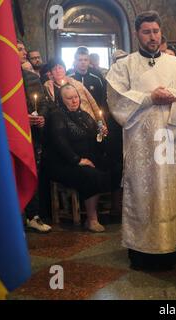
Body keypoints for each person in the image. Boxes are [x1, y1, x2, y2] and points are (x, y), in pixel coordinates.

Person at [106, 11, 176, 271]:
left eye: (156, 31)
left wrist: (171, 94)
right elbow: (116, 99)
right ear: (137, 34)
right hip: (141, 145)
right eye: (146, 32)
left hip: (174, 139)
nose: (152, 37)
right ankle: (145, 251)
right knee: (146, 193)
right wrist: (148, 98)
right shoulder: (124, 66)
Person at [45, 85, 119, 232]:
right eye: (69, 98)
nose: (74, 101)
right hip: (65, 163)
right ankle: (92, 220)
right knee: (91, 174)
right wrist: (77, 160)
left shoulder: (84, 115)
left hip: (88, 158)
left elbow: (97, 143)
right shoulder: (57, 115)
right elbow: (60, 143)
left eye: (76, 97)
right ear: (61, 100)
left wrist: (101, 135)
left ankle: (116, 209)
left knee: (116, 166)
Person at [17, 40, 52, 233]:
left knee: (31, 172)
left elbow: (44, 103)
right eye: (19, 49)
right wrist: (22, 119)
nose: (24, 52)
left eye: (24, 49)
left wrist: (42, 117)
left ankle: (33, 216)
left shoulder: (31, 78)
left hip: (33, 135)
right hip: (13, 133)